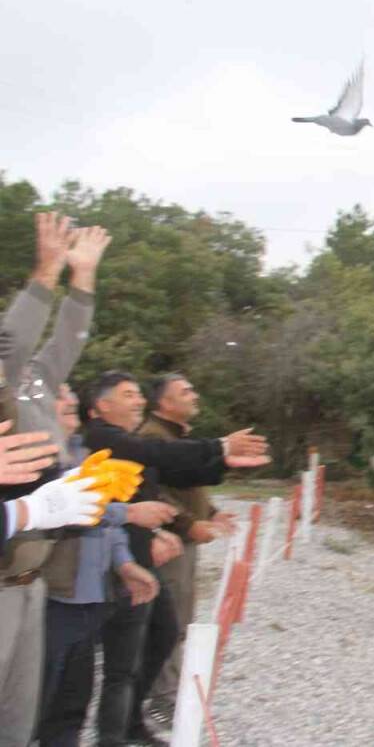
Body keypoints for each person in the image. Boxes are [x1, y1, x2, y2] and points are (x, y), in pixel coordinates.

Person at [83, 371, 269, 747]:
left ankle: (131, 720)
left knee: (163, 632)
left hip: (140, 555)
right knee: (120, 659)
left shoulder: (130, 441)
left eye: (139, 394)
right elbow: (161, 460)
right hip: (117, 562)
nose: (139, 401)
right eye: (129, 394)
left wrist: (223, 460)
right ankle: (113, 733)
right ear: (102, 406)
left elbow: (173, 472)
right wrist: (219, 446)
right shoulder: (103, 437)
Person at [0, 212, 112, 746]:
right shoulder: (5, 372)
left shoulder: (36, 383)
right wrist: (44, 272)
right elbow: (9, 343)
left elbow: (68, 338)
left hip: (30, 583)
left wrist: (82, 276)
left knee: (19, 727)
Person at [38, 385, 176, 747]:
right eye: (65, 408)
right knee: (38, 700)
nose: (73, 409)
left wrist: (126, 564)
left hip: (90, 597)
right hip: (54, 598)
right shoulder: (37, 462)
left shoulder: (85, 455)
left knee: (73, 702)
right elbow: (65, 511)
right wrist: (128, 512)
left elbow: (109, 525)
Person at [140, 373, 236, 727]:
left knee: (180, 619)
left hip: (185, 541)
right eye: (186, 391)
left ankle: (168, 694)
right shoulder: (152, 438)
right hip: (168, 545)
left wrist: (209, 513)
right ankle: (162, 701)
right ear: (164, 403)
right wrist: (187, 524)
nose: (195, 395)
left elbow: (185, 485)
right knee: (169, 622)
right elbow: (153, 493)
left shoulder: (177, 436)